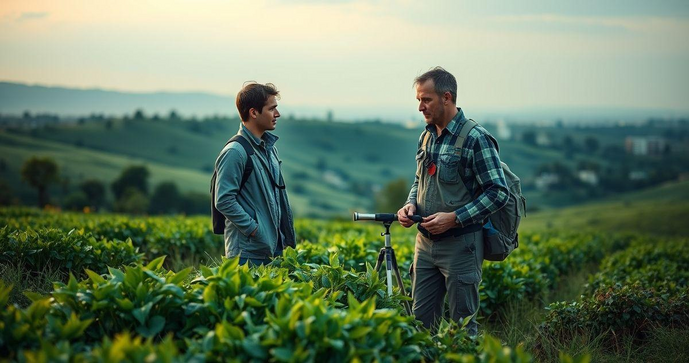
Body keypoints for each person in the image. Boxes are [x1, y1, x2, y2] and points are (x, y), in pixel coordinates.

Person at [397, 67, 509, 335]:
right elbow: (419, 181)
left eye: (426, 100)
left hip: (461, 247)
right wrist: (410, 204)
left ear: (446, 97)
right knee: (421, 326)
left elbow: (498, 192)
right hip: (424, 246)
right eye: (418, 100)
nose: (420, 107)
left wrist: (455, 218)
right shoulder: (426, 135)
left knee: (462, 329)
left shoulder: (475, 138)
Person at [213, 82, 296, 266]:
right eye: (271, 108)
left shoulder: (269, 149)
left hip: (272, 250)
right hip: (247, 254)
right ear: (253, 112)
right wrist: (254, 230)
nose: (277, 114)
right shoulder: (235, 152)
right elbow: (224, 200)